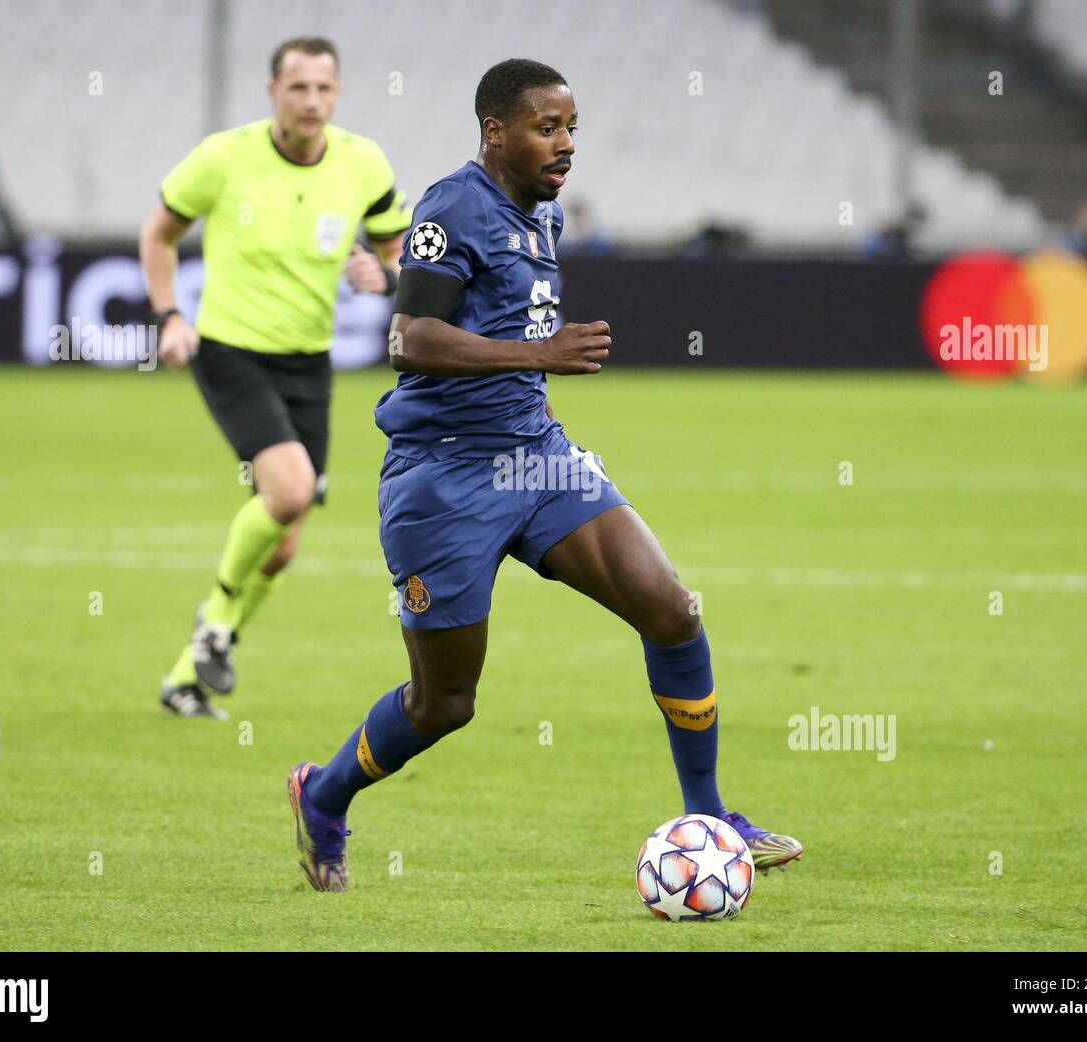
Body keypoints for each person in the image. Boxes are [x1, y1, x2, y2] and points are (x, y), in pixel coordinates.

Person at [286, 59, 803, 891]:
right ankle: (324, 794)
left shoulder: (543, 213)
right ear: (496, 132)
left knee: (671, 611)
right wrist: (543, 353)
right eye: (546, 128)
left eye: (571, 130)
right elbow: (410, 338)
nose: (565, 147)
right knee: (445, 704)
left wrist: (537, 388)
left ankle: (708, 819)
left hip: (536, 459)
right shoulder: (452, 207)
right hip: (442, 480)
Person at [139, 36, 412, 719]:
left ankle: (186, 676)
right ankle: (214, 628)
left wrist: (387, 277)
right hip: (231, 350)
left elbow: (400, 257)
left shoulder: (362, 163)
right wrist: (171, 315)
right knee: (288, 491)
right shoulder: (224, 157)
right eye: (298, 88)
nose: (311, 101)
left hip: (308, 363)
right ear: (272, 94)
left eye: (324, 88)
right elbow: (158, 234)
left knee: (282, 544)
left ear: (337, 94)